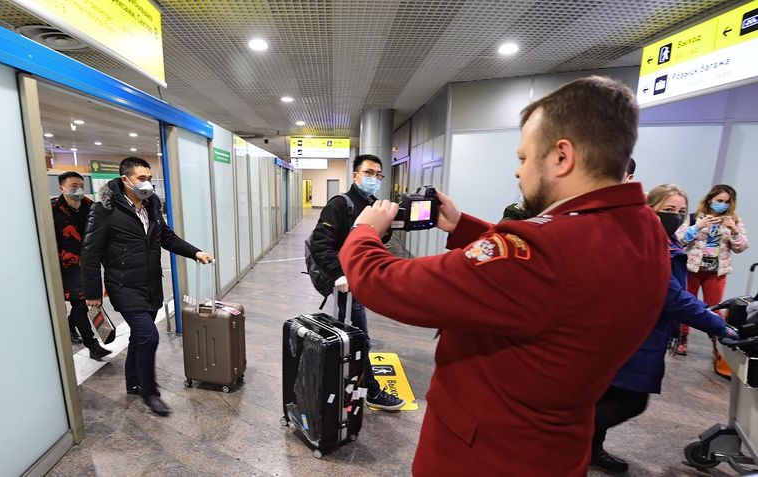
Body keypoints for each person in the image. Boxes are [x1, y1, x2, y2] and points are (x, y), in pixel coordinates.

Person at [338, 76, 670, 475]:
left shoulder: (543, 251)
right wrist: (465, 228)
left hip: (484, 455)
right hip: (556, 449)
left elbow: (386, 283)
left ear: (562, 157)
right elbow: (548, 280)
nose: (518, 172)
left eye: (524, 158)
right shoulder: (644, 228)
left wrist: (363, 233)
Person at [590, 184, 738, 473]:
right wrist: (718, 326)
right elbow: (675, 298)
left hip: (635, 330)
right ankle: (563, 436)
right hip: (634, 335)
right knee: (630, 401)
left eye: (682, 211)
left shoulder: (661, 239)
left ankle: (591, 449)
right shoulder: (651, 244)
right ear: (649, 208)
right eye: (668, 210)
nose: (676, 216)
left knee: (610, 395)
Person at [82, 157, 213, 417]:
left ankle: (133, 380)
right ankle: (149, 392)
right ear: (125, 180)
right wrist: (93, 295)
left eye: (149, 178)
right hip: (124, 286)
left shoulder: (152, 205)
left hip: (151, 285)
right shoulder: (104, 210)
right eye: (142, 179)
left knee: (138, 337)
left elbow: (166, 237)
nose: (147, 184)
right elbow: (90, 254)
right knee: (148, 336)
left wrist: (195, 252)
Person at [307, 153, 405, 411]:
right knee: (359, 337)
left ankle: (341, 382)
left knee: (350, 337)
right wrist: (338, 273)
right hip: (345, 285)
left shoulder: (373, 204)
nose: (374, 178)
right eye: (369, 173)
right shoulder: (341, 204)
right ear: (356, 175)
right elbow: (320, 243)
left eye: (378, 174)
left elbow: (374, 241)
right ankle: (371, 391)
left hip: (360, 281)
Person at [674, 184, 749, 360]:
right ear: (710, 199)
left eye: (726, 202)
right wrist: (696, 227)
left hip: (715, 272)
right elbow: (678, 239)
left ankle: (719, 346)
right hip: (692, 269)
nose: (722, 204)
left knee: (715, 309)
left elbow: (742, 247)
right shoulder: (694, 217)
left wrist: (734, 230)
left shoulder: (734, 221)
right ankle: (682, 338)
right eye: (719, 200)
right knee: (687, 306)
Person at [51, 171, 111, 360]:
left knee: (81, 304)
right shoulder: (51, 209)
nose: (78, 189)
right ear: (62, 188)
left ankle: (71, 326)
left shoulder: (90, 206)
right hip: (66, 265)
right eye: (73, 186)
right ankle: (92, 345)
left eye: (81, 185)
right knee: (80, 303)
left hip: (88, 263)